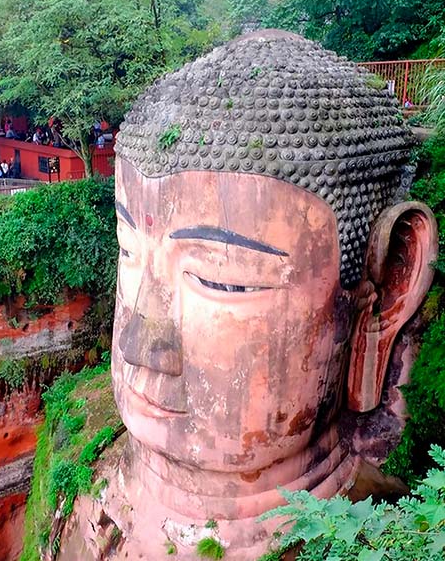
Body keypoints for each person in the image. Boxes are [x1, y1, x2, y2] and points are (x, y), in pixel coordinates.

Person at [61, 30, 440, 561]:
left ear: (388, 288)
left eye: (221, 280)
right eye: (128, 250)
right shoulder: (81, 464)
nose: (137, 346)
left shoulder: (387, 539)